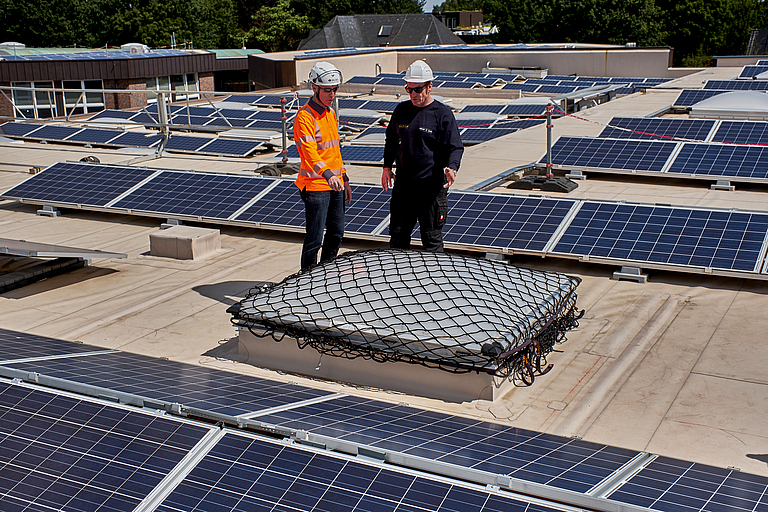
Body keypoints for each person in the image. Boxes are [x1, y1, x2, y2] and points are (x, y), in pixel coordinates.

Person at [382, 60, 464, 252]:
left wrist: (452, 167)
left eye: (418, 90)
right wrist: (387, 167)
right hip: (404, 187)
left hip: (431, 188)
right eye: (409, 89)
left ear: (429, 87)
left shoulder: (442, 114)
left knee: (431, 240)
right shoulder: (402, 111)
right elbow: (391, 140)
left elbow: (455, 146)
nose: (413, 95)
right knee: (398, 236)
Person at [294, 61, 352, 270]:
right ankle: (307, 278)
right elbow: (309, 153)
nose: (332, 94)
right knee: (314, 239)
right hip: (316, 186)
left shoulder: (330, 113)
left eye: (334, 90)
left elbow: (334, 151)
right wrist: (328, 175)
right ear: (314, 88)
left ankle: (325, 272)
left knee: (336, 233)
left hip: (335, 184)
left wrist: (343, 178)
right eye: (327, 90)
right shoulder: (304, 117)